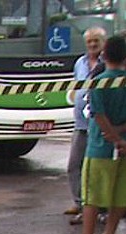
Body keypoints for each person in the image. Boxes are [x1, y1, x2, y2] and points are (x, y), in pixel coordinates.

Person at [80, 34, 126, 234]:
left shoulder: (99, 81)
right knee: (119, 193)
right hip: (124, 148)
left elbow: (97, 114)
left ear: (104, 55)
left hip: (99, 147)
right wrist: (121, 136)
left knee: (91, 195)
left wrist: (113, 137)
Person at [65, 27, 106, 224]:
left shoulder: (108, 64)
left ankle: (100, 207)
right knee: (74, 164)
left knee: (96, 168)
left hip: (100, 124)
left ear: (103, 42)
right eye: (89, 41)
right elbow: (76, 86)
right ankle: (79, 202)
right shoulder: (79, 63)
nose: (92, 45)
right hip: (80, 123)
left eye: (96, 41)